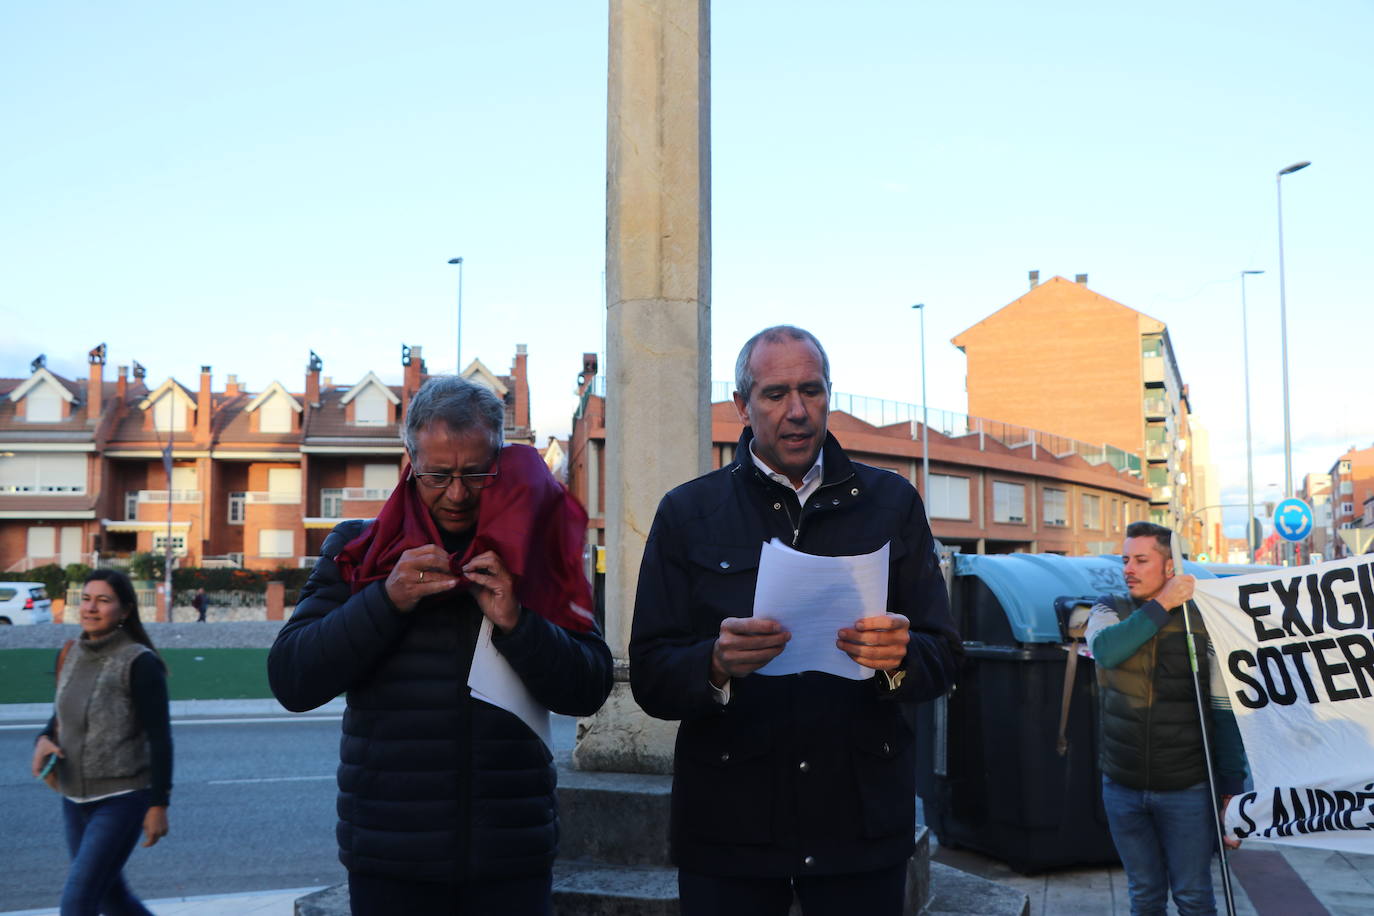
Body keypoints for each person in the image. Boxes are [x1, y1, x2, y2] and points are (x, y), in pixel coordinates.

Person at [628, 326, 962, 916]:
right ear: (742, 406)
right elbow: (651, 673)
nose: (799, 411)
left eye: (812, 390)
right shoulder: (687, 513)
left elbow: (944, 654)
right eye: (776, 394)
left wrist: (899, 660)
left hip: (857, 828)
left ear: (830, 395)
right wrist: (714, 664)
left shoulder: (892, 503)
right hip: (731, 827)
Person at [268, 376, 613, 916]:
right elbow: (291, 678)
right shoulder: (359, 548)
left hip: (511, 856)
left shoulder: (536, 551)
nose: (456, 493)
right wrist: (385, 600)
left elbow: (590, 686)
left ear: (499, 458)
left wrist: (518, 623)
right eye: (437, 474)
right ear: (410, 462)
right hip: (390, 856)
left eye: (476, 473)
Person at [1085, 521, 1248, 916]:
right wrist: (1163, 606)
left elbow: (1225, 710)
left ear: (1170, 567)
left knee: (1193, 896)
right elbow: (1106, 651)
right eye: (1126, 559)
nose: (1129, 568)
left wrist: (1231, 789)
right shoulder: (1108, 609)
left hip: (1187, 789)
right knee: (1144, 895)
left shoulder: (1201, 621)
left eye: (1142, 560)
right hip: (1122, 787)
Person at [31, 568, 172, 916]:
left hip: (121, 799)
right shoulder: (71, 653)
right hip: (74, 797)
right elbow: (60, 715)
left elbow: (160, 737)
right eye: (87, 599)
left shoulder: (139, 662)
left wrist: (158, 804)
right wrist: (43, 739)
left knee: (77, 905)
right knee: (111, 897)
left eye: (103, 600)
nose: (91, 608)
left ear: (124, 611)